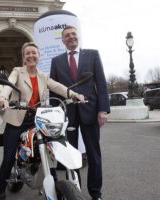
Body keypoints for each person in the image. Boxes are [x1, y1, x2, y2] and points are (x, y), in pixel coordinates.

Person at [0, 42, 85, 200]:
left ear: (38, 56)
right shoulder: (18, 71)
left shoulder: (43, 76)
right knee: (9, 157)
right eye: (27, 53)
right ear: (24, 57)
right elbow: (9, 84)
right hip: (17, 119)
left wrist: (74, 95)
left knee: (50, 149)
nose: (31, 56)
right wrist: (3, 97)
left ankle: (55, 185)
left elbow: (58, 87)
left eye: (34, 53)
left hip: (37, 119)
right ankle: (1, 190)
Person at [50, 26, 110, 200]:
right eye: (67, 35)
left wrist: (102, 109)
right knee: (71, 156)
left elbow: (101, 84)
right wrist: (56, 114)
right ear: (63, 40)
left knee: (93, 154)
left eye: (73, 34)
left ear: (78, 37)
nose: (71, 37)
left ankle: (95, 193)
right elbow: (54, 91)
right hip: (68, 115)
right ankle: (75, 191)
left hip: (91, 112)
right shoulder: (57, 61)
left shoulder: (92, 55)